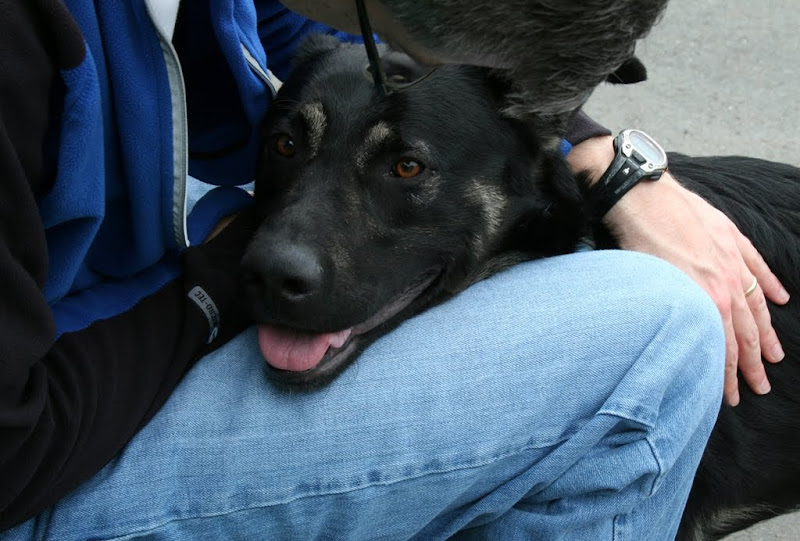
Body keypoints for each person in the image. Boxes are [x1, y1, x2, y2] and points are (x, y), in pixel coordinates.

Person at [0, 1, 786, 540]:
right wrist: (215, 283)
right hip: (41, 472)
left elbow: (309, 29)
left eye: (406, 168)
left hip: (97, 372)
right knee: (658, 325)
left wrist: (608, 157)